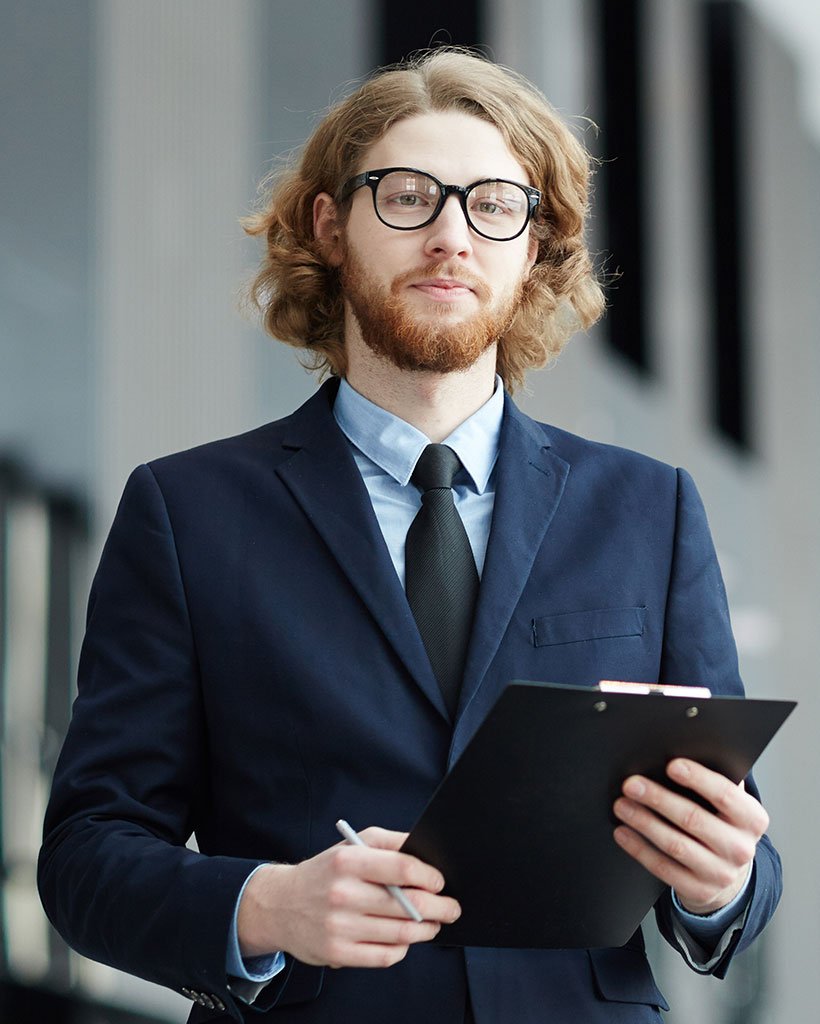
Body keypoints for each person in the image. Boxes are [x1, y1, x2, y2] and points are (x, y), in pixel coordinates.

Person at [39, 48, 779, 1024]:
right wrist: (264, 906)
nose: (449, 236)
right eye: (407, 197)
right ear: (329, 225)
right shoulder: (186, 514)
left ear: (533, 245)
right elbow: (89, 853)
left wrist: (717, 880)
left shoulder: (652, 509)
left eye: (492, 205)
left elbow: (741, 857)